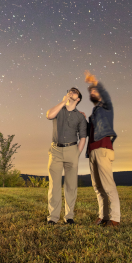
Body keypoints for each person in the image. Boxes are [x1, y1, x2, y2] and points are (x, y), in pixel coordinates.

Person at [45, 87, 87, 225]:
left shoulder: (80, 117)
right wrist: (63, 102)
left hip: (72, 150)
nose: (71, 92)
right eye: (70, 90)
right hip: (56, 150)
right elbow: (49, 115)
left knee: (71, 185)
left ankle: (69, 216)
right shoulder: (59, 110)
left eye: (75, 92)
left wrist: (77, 154)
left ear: (78, 99)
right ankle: (53, 217)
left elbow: (82, 138)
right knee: (54, 185)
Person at [85, 71, 120, 227]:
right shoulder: (94, 113)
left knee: (108, 185)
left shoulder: (106, 107)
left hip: (103, 148)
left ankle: (115, 218)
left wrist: (95, 81)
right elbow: (89, 131)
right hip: (92, 151)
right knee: (98, 187)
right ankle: (103, 216)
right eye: (91, 91)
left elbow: (106, 95)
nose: (92, 92)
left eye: (94, 90)